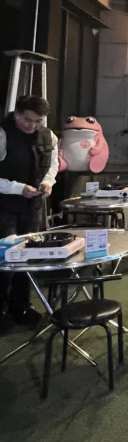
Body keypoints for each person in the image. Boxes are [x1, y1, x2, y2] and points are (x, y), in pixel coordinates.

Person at [0, 96, 59, 328]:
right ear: (16, 114)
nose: (31, 126)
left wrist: (48, 183)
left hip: (32, 207)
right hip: (4, 207)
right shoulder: (3, 135)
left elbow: (53, 164)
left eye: (37, 121)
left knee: (28, 259)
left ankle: (21, 307)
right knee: (5, 262)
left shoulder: (49, 136)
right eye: (27, 119)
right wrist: (17, 188)